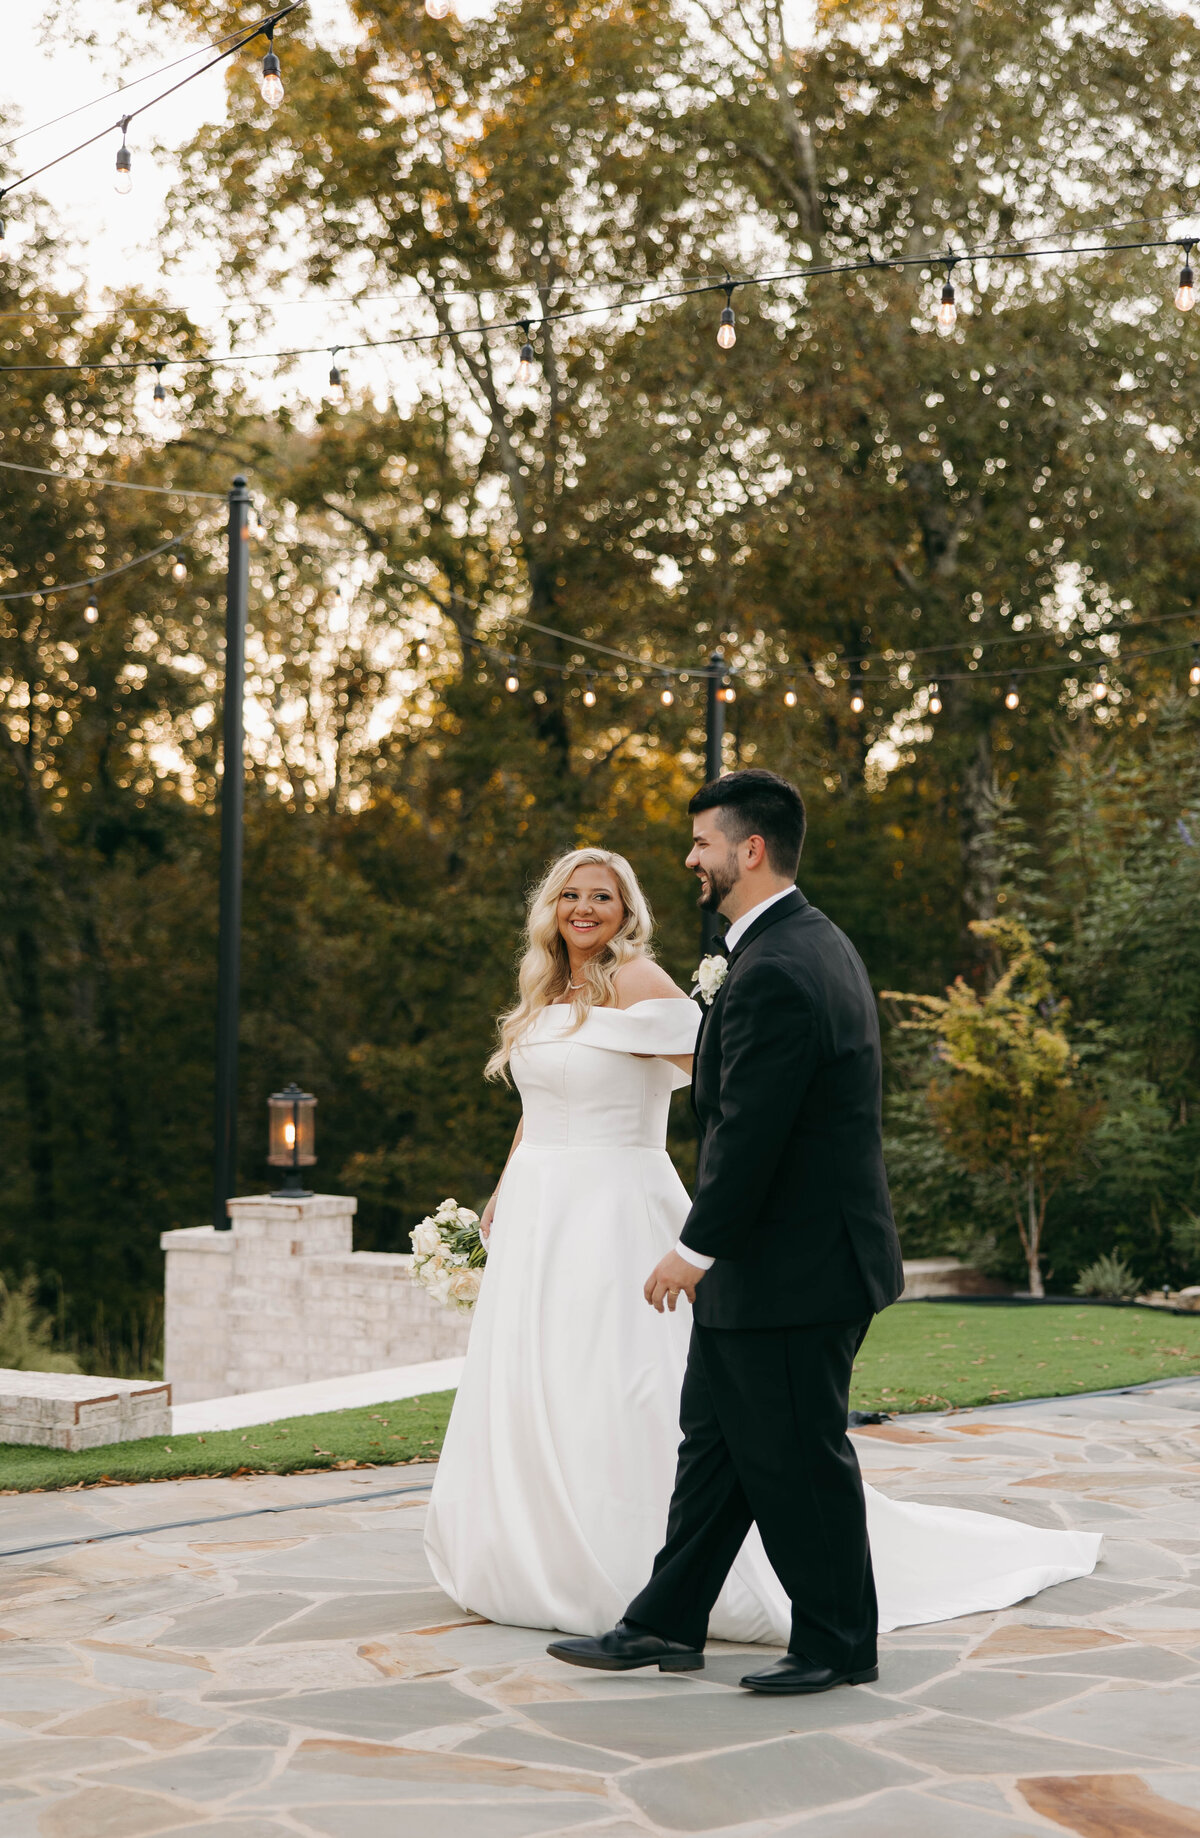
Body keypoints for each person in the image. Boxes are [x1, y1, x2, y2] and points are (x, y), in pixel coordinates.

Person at [424, 801, 1099, 1684]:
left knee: (798, 1458)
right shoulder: (792, 945)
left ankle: (837, 1645)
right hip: (763, 1260)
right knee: (715, 1450)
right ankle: (664, 1624)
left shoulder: (778, 964)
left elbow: (750, 1128)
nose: (690, 858)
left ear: (747, 849)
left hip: (795, 1261)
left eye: (702, 843)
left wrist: (692, 1247)